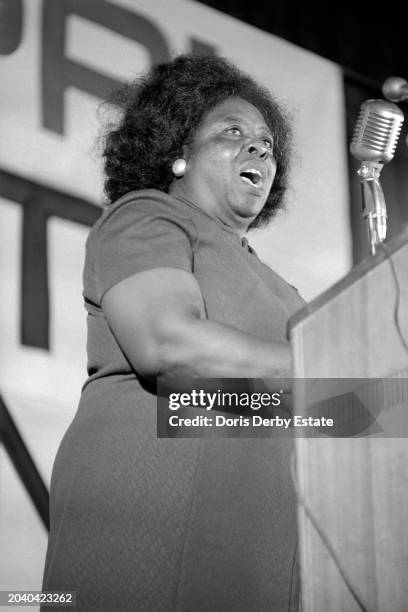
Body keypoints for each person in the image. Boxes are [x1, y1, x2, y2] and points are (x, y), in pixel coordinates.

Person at [42, 54, 305, 611]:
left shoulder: (288, 293)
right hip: (147, 505)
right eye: (233, 132)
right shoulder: (148, 216)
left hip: (259, 549)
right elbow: (167, 346)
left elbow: (318, 410)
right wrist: (319, 369)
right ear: (178, 154)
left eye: (267, 142)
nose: (260, 148)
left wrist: (380, 401)